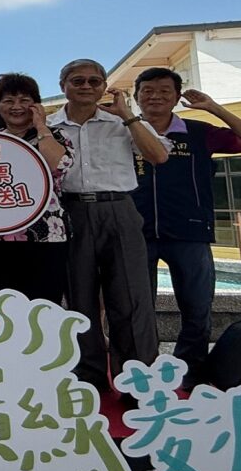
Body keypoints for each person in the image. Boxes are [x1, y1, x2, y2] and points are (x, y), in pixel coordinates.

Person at [133, 67, 241, 386]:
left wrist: (213, 107)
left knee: (196, 307)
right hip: (136, 232)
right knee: (137, 309)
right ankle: (142, 372)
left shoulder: (198, 132)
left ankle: (190, 372)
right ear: (136, 97)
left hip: (189, 231)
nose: (155, 96)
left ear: (177, 97)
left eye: (164, 91)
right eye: (147, 90)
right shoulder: (125, 131)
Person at [49, 59, 169, 390]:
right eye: (78, 81)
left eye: (94, 81)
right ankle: (88, 376)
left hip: (119, 209)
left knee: (131, 295)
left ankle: (136, 378)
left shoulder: (123, 122)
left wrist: (128, 115)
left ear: (104, 86)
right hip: (70, 210)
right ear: (63, 86)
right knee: (79, 296)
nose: (86, 86)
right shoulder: (49, 125)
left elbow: (158, 155)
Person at [0, 74, 72, 305]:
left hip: (48, 233)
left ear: (36, 105)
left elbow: (59, 166)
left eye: (24, 100)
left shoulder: (54, 135)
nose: (16, 106)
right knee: (9, 305)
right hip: (1, 236)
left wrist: (41, 126)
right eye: (8, 101)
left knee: (46, 304)